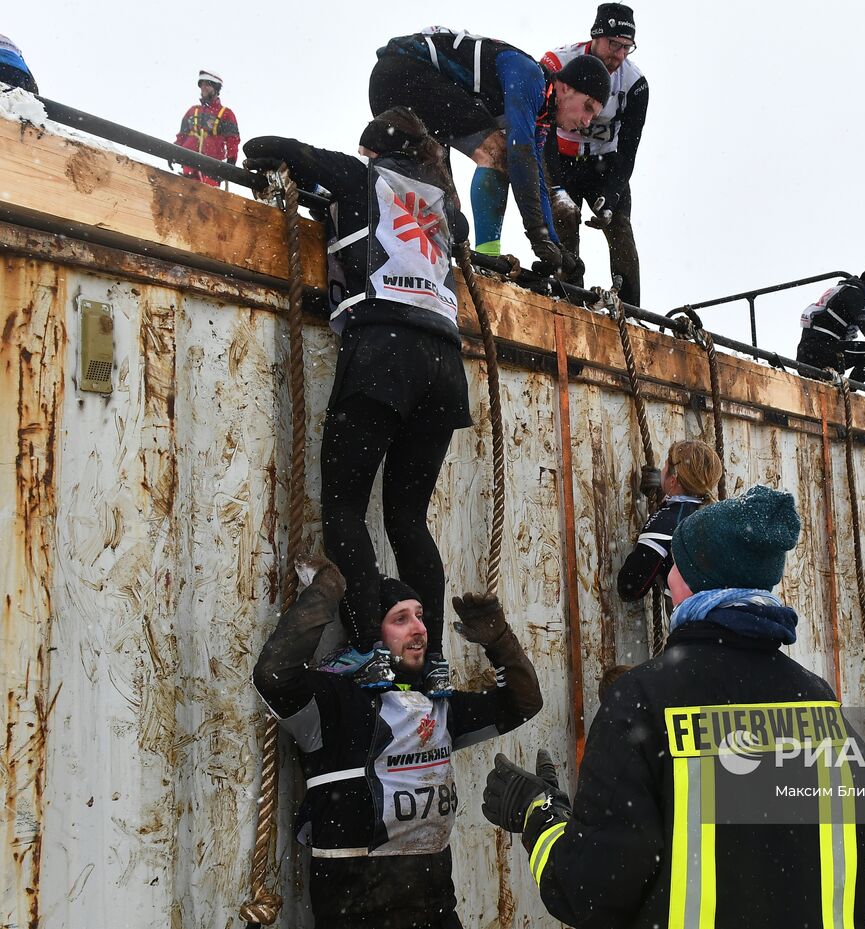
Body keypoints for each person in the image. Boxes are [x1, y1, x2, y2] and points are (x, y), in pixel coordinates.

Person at [480, 485, 865, 928]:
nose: (668, 575)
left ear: (692, 580)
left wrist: (539, 815)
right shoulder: (816, 698)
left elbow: (591, 891)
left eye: (676, 562)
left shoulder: (644, 700)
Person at [243, 108, 473, 696]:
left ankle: (369, 650)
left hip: (383, 354)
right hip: (445, 369)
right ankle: (436, 656)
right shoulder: (446, 209)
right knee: (407, 517)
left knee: (344, 508)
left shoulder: (358, 176)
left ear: (372, 150)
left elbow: (267, 144)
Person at [253, 555, 543, 929]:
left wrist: (500, 640)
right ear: (373, 635)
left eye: (420, 615)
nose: (419, 629)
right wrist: (327, 589)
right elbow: (273, 675)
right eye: (400, 619)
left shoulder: (438, 708)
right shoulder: (335, 705)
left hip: (436, 911)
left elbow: (522, 703)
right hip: (356, 915)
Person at [368, 27, 609, 273]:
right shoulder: (531, 76)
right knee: (498, 154)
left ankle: (416, 265)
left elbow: (535, 179)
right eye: (587, 107)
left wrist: (554, 245)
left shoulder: (542, 115)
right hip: (404, 73)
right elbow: (518, 154)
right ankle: (487, 261)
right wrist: (538, 235)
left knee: (445, 202)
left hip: (391, 84)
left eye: (594, 116)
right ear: (566, 88)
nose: (587, 122)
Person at [541, 3, 648, 304]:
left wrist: (611, 197)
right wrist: (556, 187)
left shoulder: (635, 84)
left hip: (604, 162)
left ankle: (630, 311)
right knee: (564, 222)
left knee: (621, 232)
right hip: (560, 156)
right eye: (613, 44)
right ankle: (569, 296)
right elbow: (543, 128)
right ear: (595, 36)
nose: (619, 55)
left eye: (627, 47)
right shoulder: (558, 62)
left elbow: (628, 151)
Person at [615, 439, 722, 605]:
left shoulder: (666, 523)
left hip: (698, 626)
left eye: (665, 466)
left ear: (673, 481)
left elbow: (630, 588)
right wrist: (663, 493)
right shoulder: (718, 513)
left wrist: (655, 525)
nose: (661, 470)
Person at [174, 70, 239, 186]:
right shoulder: (192, 111)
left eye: (207, 85)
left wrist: (230, 163)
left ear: (216, 88)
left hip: (212, 170)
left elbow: (232, 141)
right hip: (188, 167)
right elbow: (181, 136)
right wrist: (172, 152)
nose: (203, 88)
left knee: (206, 202)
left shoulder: (226, 114)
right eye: (202, 85)